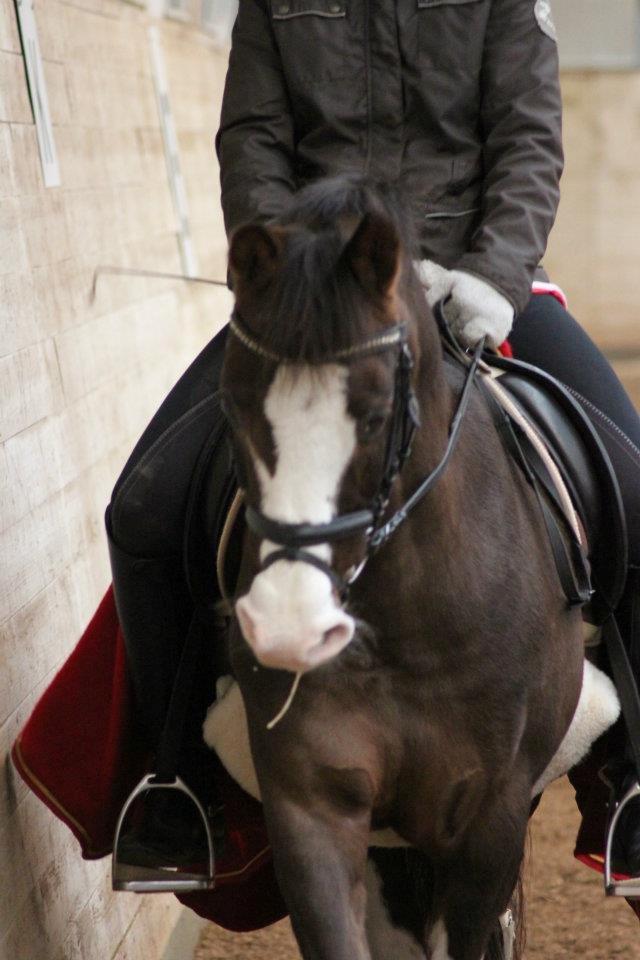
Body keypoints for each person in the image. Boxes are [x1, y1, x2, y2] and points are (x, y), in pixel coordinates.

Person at [110, 0, 640, 883]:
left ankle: (630, 775)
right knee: (144, 509)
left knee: (634, 484)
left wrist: (493, 275)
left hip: (477, 281)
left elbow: (528, 141)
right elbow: (253, 143)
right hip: (317, 298)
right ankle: (180, 783)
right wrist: (291, 274)